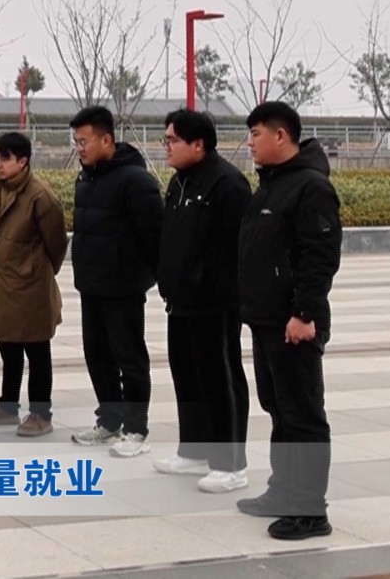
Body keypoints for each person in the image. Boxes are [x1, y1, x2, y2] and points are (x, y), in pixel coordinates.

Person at [236, 101, 340, 541]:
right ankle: (283, 492)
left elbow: (321, 258)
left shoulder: (311, 187)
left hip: (294, 323)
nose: (250, 143)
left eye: (256, 134)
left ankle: (310, 510)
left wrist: (304, 313)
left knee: (302, 415)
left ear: (281, 136)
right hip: (265, 320)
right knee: (279, 410)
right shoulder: (271, 185)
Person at [154, 109, 253, 493]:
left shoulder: (227, 183)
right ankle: (194, 450)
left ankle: (231, 465)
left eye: (173, 140)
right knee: (187, 376)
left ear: (198, 144)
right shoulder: (179, 182)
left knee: (220, 379)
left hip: (216, 303)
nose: (166, 147)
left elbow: (242, 248)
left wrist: (228, 291)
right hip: (181, 301)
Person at [67, 105, 163, 458]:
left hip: (123, 287)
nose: (79, 149)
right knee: (97, 355)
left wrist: (148, 278)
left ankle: (136, 428)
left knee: (130, 358)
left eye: (84, 142)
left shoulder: (136, 181)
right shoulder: (86, 179)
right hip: (91, 284)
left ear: (106, 140)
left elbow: (154, 236)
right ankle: (109, 420)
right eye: (76, 142)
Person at [0, 132, 68, 437]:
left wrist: (37, 271)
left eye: (5, 158)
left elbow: (57, 244)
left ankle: (41, 413)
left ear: (23, 161)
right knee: (8, 346)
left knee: (37, 350)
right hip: (3, 282)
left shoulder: (41, 196)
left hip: (32, 287)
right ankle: (8, 405)